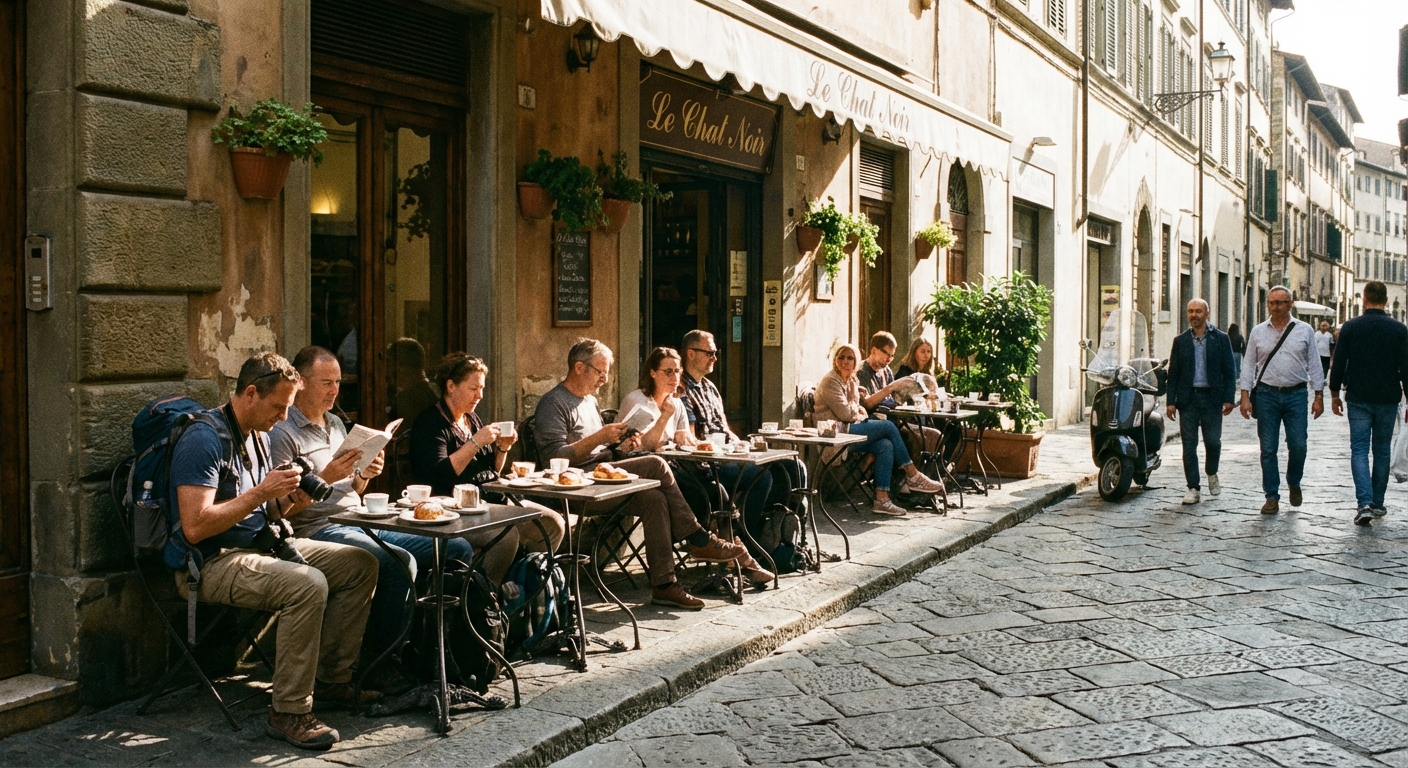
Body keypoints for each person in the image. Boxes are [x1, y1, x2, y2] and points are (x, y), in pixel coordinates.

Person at [169, 352, 379, 750]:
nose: (284, 418)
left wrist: (293, 495)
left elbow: (271, 510)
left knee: (359, 563)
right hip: (212, 561)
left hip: (264, 543)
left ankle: (331, 680)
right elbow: (195, 527)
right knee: (307, 584)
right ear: (251, 393)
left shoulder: (258, 437)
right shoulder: (203, 438)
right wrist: (260, 494)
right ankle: (289, 711)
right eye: (280, 406)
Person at [269, 346, 457, 693]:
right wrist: (325, 476)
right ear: (300, 383)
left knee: (453, 544)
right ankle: (378, 661)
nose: (334, 391)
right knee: (399, 561)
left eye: (338, 382)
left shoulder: (337, 423)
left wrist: (366, 473)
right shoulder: (281, 431)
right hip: (318, 527)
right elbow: (278, 507)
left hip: (360, 517)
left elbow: (351, 484)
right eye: (326, 382)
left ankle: (440, 652)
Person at [534, 338, 749, 610]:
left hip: (601, 475)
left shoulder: (588, 401)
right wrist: (600, 436)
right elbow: (555, 459)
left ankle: (664, 585)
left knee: (654, 500)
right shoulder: (553, 403)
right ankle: (698, 538)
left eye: (607, 371)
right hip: (575, 486)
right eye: (600, 371)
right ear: (579, 367)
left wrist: (621, 444)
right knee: (657, 464)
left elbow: (600, 450)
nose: (605, 378)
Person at [409, 353, 564, 585]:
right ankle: (483, 600)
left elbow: (491, 471)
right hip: (456, 509)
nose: (480, 396)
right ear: (451, 386)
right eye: (473, 388)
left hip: (491, 500)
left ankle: (522, 588)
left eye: (481, 388)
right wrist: (475, 442)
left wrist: (502, 449)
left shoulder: (471, 418)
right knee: (506, 536)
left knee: (552, 523)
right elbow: (440, 475)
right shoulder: (430, 422)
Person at [676, 332, 801, 576]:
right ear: (691, 354)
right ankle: (748, 541)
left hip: (728, 453)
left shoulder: (710, 387)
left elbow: (724, 427)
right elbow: (690, 438)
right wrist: (723, 448)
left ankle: (779, 538)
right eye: (709, 353)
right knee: (761, 477)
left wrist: (741, 443)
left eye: (715, 353)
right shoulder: (680, 388)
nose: (714, 358)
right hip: (706, 465)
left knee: (791, 468)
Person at [814, 343, 946, 516]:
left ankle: (882, 499)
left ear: (855, 361)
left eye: (850, 358)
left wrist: (857, 409)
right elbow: (846, 413)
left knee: (885, 445)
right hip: (834, 434)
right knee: (888, 427)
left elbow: (855, 410)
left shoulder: (852, 380)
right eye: (841, 357)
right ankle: (913, 475)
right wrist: (857, 409)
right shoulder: (831, 380)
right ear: (835, 360)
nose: (845, 361)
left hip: (847, 430)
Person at [1239, 286, 1325, 514]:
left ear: (1290, 304)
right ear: (1268, 304)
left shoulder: (1304, 330)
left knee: (1298, 445)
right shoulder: (1258, 332)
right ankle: (1271, 496)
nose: (1276, 307)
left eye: (1281, 302)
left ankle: (1294, 481)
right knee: (1268, 448)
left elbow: (1315, 363)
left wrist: (1319, 395)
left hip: (1296, 395)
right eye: (1272, 303)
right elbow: (1248, 364)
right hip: (1266, 395)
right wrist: (1245, 395)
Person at [1328, 281, 1408, 526]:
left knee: (1359, 449)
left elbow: (1339, 362)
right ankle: (1377, 503)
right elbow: (1406, 368)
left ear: (1364, 299)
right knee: (1382, 450)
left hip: (1359, 397)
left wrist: (1334, 393)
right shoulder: (1399, 329)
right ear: (1385, 301)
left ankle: (1363, 503)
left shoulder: (1350, 327)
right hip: (1387, 397)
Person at [1165, 299, 1237, 505]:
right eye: (1190, 311)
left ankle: (1212, 472)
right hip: (1188, 400)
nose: (1193, 315)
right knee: (1189, 446)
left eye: (1198, 311)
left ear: (1208, 313)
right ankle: (1193, 488)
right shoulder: (1180, 341)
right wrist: (1171, 401)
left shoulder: (1221, 339)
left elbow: (1229, 372)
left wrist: (1229, 399)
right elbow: (1174, 373)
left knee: (1213, 443)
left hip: (1212, 399)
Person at [855, 331, 944, 457]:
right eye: (886, 354)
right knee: (918, 439)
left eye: (892, 356)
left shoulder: (887, 371)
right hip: (872, 423)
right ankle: (909, 475)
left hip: (893, 420)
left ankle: (926, 474)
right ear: (874, 350)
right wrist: (890, 387)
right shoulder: (861, 371)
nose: (888, 359)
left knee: (935, 435)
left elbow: (893, 400)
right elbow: (866, 405)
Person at [620, 347, 694, 452]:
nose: (675, 377)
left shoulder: (677, 402)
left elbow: (685, 443)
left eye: (677, 371)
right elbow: (639, 447)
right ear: (653, 373)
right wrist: (664, 417)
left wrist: (683, 437)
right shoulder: (636, 400)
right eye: (668, 372)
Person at [1226, 323, 1246, 391]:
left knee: (1231, 367)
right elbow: (1243, 346)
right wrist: (1244, 355)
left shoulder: (1228, 336)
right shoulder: (1239, 336)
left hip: (1230, 353)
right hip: (1238, 353)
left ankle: (1232, 379)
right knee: (1237, 368)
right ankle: (1236, 380)